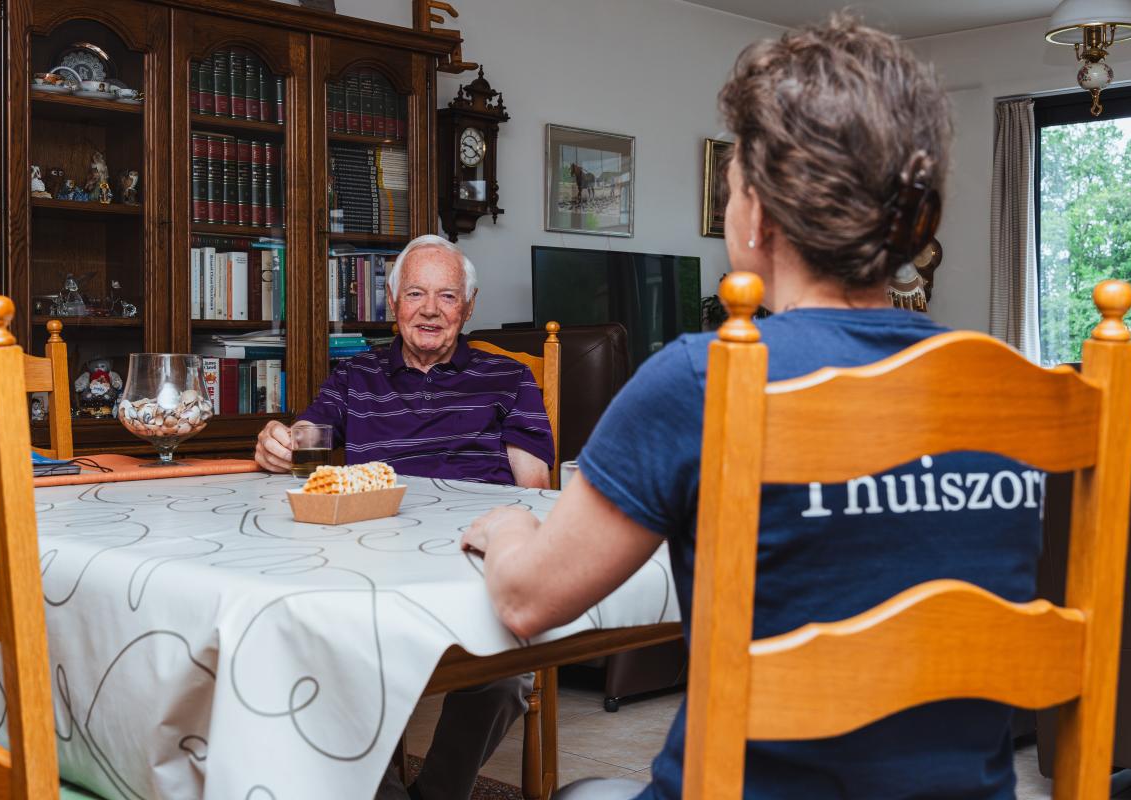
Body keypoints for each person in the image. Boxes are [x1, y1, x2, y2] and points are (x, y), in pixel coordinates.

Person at [461, 15, 1041, 800]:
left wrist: (507, 527)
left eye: (731, 185)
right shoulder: (1014, 391)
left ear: (757, 216)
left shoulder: (705, 379)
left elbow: (528, 601)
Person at [254, 234, 555, 800]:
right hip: (368, 563)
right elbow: (303, 442)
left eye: (447, 295)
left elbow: (533, 487)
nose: (431, 309)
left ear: (468, 308)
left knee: (507, 674)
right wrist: (275, 443)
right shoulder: (354, 377)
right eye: (415, 293)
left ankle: (438, 794)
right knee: (329, 653)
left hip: (468, 558)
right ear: (393, 305)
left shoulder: (508, 377)